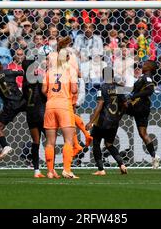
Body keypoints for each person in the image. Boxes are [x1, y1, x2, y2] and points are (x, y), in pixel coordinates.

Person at [42, 48, 79, 179]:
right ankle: (67, 170)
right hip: (64, 105)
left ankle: (50, 171)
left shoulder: (49, 71)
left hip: (50, 106)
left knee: (49, 142)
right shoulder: (71, 70)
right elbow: (74, 90)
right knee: (68, 140)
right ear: (68, 59)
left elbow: (44, 90)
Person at [86, 66, 127, 176]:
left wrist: (91, 121)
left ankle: (101, 169)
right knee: (109, 144)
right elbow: (125, 104)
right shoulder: (119, 87)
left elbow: (100, 105)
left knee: (96, 143)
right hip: (114, 122)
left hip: (103, 121)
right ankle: (122, 164)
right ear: (113, 75)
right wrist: (119, 115)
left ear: (104, 76)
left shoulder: (102, 88)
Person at [0, 59, 26, 160]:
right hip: (22, 101)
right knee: (35, 116)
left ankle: (5, 146)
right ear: (1, 66)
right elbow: (23, 73)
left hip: (9, 106)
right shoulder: (8, 72)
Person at [126, 60, 160, 168]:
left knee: (118, 108)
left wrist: (134, 96)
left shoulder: (147, 77)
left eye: (145, 64)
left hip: (140, 106)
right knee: (143, 133)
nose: (143, 65)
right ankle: (154, 157)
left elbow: (150, 90)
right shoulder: (142, 77)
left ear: (149, 67)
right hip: (141, 107)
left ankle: (103, 126)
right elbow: (134, 90)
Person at [22, 56, 47, 178]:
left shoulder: (24, 82)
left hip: (30, 114)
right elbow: (45, 92)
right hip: (41, 112)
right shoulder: (39, 78)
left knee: (35, 142)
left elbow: (25, 97)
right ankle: (51, 169)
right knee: (50, 141)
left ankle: (36, 170)